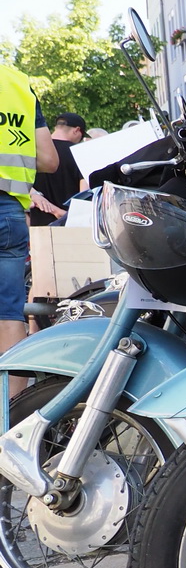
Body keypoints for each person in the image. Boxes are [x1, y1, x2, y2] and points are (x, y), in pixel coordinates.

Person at [0, 63, 59, 361]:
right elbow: (49, 160)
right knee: (10, 313)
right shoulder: (18, 84)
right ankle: (12, 406)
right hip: (9, 212)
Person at [28, 112, 87, 226]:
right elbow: (84, 193)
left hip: (38, 224)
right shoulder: (80, 153)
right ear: (76, 130)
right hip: (69, 222)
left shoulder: (34, 150)